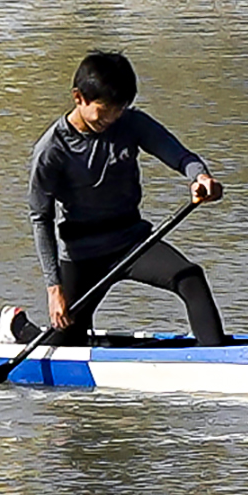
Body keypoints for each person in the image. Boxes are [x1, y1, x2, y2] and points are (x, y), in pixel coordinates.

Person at [21, 51, 226, 344]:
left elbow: (181, 157)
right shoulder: (51, 150)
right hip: (81, 255)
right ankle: (19, 329)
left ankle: (216, 360)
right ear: (79, 98)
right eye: (104, 111)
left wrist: (200, 177)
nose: (111, 119)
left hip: (131, 242)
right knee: (67, 341)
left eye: (119, 110)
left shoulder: (131, 124)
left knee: (190, 278)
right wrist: (54, 289)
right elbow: (40, 218)